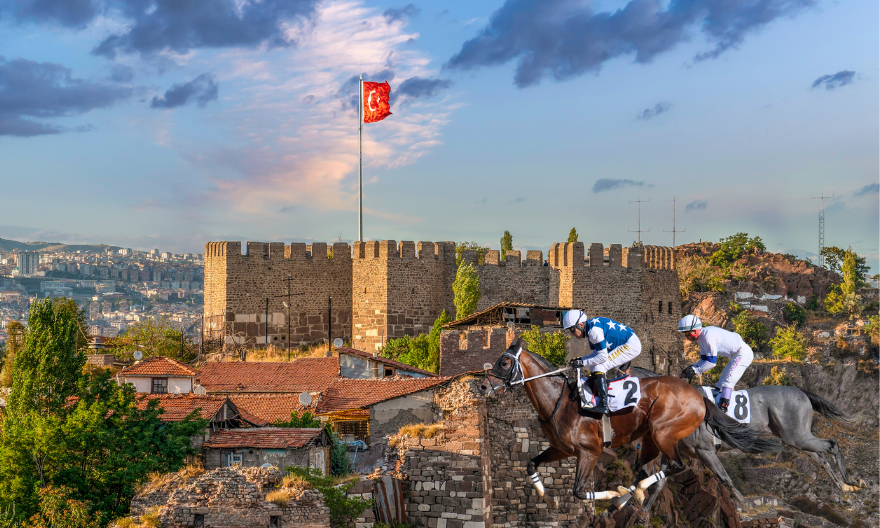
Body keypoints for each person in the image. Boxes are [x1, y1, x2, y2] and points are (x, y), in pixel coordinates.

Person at [562, 310, 642, 414]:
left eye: (572, 329)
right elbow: (595, 355)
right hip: (628, 342)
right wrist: (581, 360)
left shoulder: (593, 331)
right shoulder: (590, 330)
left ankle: (603, 404)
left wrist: (582, 363)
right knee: (593, 366)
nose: (572, 334)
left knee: (600, 366)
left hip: (631, 345)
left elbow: (602, 358)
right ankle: (595, 387)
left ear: (580, 325)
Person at [677, 314, 753, 411]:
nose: (686, 337)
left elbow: (712, 363)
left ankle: (723, 408)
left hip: (743, 353)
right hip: (736, 355)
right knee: (719, 385)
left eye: (687, 333)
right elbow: (704, 359)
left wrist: (696, 370)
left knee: (727, 382)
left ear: (694, 331)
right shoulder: (701, 338)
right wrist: (692, 368)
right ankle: (717, 403)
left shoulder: (707, 336)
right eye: (684, 334)